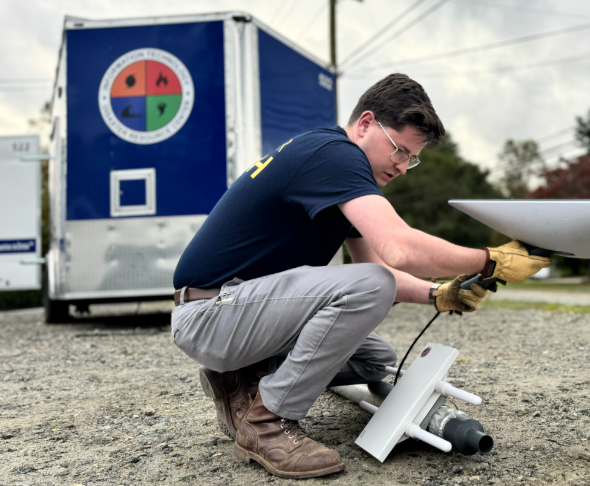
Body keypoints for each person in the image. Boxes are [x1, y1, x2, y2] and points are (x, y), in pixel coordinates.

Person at [170, 73, 550, 479]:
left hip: (237, 314)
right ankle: (267, 421)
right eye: (400, 150)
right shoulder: (333, 155)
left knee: (374, 361)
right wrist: (489, 260)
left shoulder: (338, 175)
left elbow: (377, 269)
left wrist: (439, 294)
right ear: (366, 124)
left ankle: (240, 377)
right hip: (211, 313)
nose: (404, 167)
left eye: (412, 158)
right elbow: (397, 251)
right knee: (373, 288)